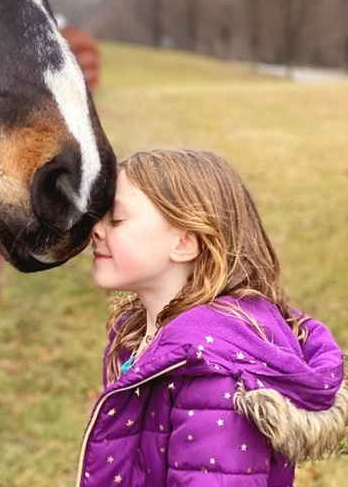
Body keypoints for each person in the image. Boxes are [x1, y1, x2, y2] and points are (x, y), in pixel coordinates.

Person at [77, 149, 347, 487]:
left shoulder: (212, 370)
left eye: (115, 219)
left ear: (185, 243)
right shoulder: (146, 334)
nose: (96, 230)